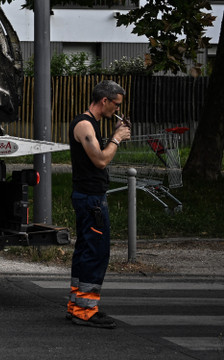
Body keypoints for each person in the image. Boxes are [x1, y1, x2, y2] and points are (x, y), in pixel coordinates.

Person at [67, 79, 131, 328]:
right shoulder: (84, 125)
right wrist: (116, 137)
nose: (117, 109)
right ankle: (85, 311)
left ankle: (77, 305)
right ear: (104, 100)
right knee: (96, 252)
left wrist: (114, 132)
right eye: (115, 104)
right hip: (91, 199)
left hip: (88, 197)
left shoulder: (91, 124)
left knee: (85, 251)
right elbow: (101, 161)